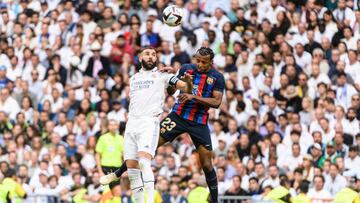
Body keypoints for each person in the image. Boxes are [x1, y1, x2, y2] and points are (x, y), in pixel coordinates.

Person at [100, 47, 225, 203]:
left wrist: (193, 96)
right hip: (178, 116)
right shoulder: (187, 69)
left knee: (206, 164)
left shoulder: (217, 77)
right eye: (198, 61)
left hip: (199, 122)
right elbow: (172, 91)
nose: (199, 64)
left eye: (203, 62)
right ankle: (118, 173)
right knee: (148, 148)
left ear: (211, 62)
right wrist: (169, 76)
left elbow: (216, 102)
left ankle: (215, 200)